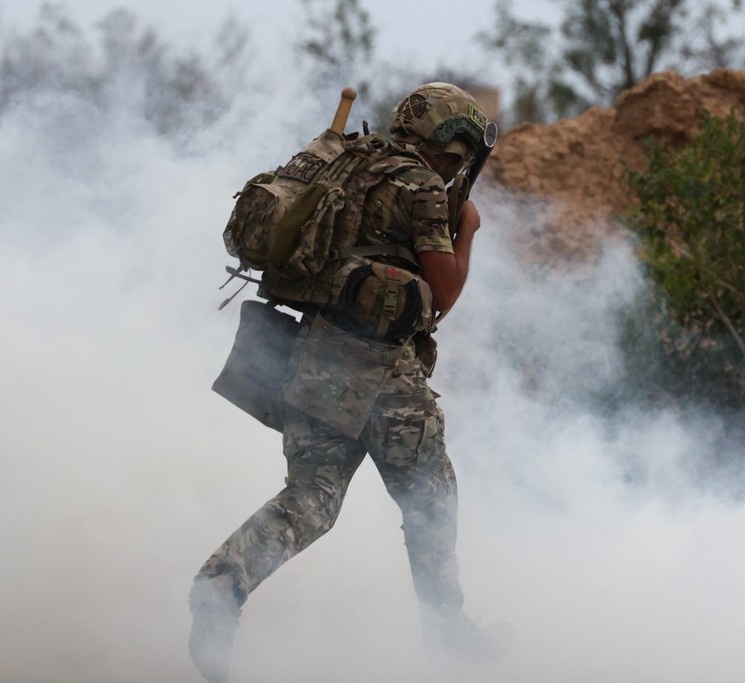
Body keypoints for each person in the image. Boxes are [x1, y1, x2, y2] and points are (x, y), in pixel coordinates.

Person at [188, 82, 510, 683]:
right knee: (432, 500)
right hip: (383, 371)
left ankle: (221, 582)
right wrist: (466, 228)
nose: (459, 161)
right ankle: (448, 635)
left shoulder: (346, 161)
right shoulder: (418, 187)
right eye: (459, 147)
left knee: (310, 499)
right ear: (442, 137)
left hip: (311, 357)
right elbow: (441, 298)